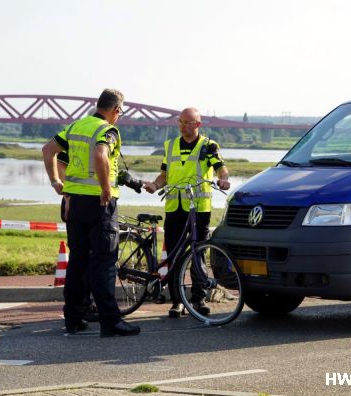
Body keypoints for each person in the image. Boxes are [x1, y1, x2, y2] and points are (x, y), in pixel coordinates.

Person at [42, 88, 140, 337]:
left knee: (78, 261)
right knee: (104, 261)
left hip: (75, 202)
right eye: (121, 112)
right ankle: (111, 322)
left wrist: (56, 182)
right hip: (99, 204)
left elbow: (47, 150)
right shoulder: (107, 130)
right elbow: (100, 155)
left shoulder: (76, 126)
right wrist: (106, 189)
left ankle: (73, 318)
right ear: (116, 109)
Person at [144, 107, 230, 318]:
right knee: (173, 254)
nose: (183, 126)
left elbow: (221, 168)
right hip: (175, 208)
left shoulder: (208, 146)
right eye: (180, 122)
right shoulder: (171, 145)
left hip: (199, 208)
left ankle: (198, 299)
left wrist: (223, 179)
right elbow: (165, 173)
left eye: (187, 123)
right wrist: (155, 185)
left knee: (198, 253)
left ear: (198, 125)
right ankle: (177, 302)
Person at [56, 151, 99, 323]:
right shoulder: (87, 135)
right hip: (78, 201)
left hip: (82, 200)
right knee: (83, 259)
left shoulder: (80, 133)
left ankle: (79, 309)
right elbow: (60, 163)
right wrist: (67, 196)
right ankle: (82, 307)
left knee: (82, 259)